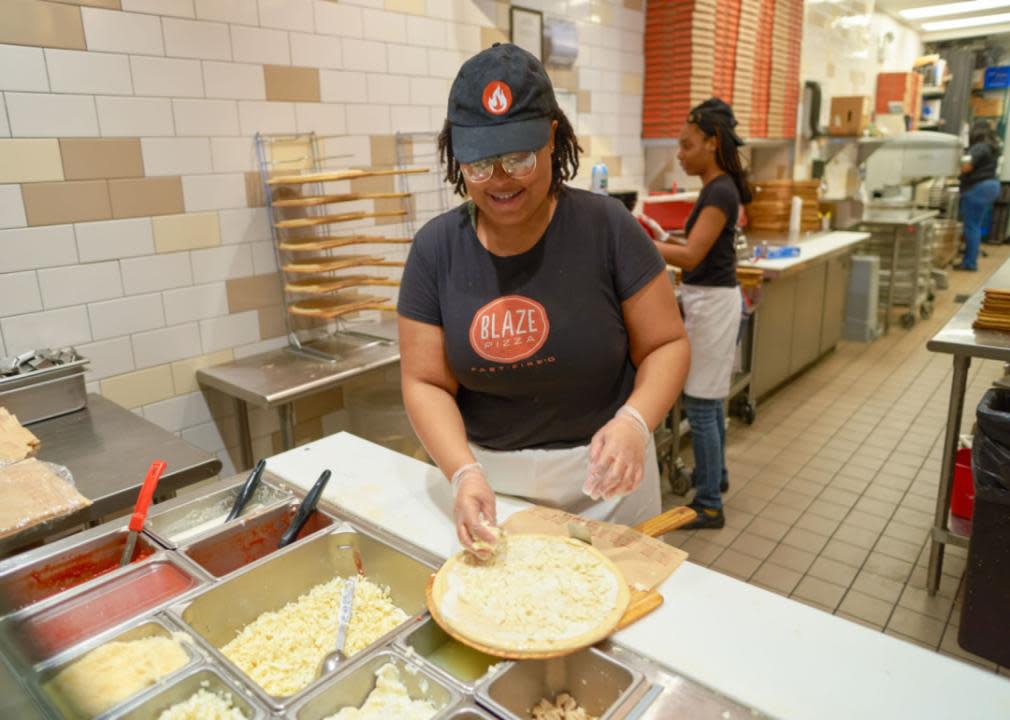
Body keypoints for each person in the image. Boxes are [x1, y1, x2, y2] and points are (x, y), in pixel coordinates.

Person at [397, 43, 690, 554]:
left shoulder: (607, 229)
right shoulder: (435, 249)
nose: (502, 180)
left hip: (608, 483)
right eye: (481, 164)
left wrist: (634, 422)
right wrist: (462, 472)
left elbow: (667, 344)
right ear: (456, 155)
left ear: (553, 137)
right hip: (491, 489)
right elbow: (424, 381)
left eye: (518, 156)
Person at [648, 98, 750, 529]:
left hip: (711, 305)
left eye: (687, 146)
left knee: (703, 406)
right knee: (710, 399)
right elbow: (694, 245)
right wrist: (660, 234)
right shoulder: (717, 187)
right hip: (710, 301)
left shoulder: (720, 189)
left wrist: (643, 247)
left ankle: (708, 504)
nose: (680, 154)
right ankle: (717, 478)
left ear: (712, 143)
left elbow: (691, 255)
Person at [958, 120, 1002, 271]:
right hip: (991, 185)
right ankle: (970, 259)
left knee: (971, 226)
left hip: (978, 187)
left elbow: (966, 166)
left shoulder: (979, 147)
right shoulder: (992, 147)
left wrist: (958, 163)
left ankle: (970, 263)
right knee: (975, 225)